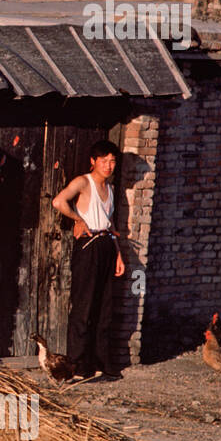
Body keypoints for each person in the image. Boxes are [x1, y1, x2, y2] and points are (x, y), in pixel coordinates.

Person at [51, 140, 127, 381]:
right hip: (89, 246)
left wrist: (118, 254)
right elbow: (58, 201)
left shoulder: (111, 189)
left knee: (104, 308)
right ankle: (77, 367)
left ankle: (101, 365)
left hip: (106, 244)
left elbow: (111, 223)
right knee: (83, 308)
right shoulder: (83, 182)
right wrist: (77, 219)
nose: (108, 165)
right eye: (103, 160)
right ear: (93, 161)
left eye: (112, 161)